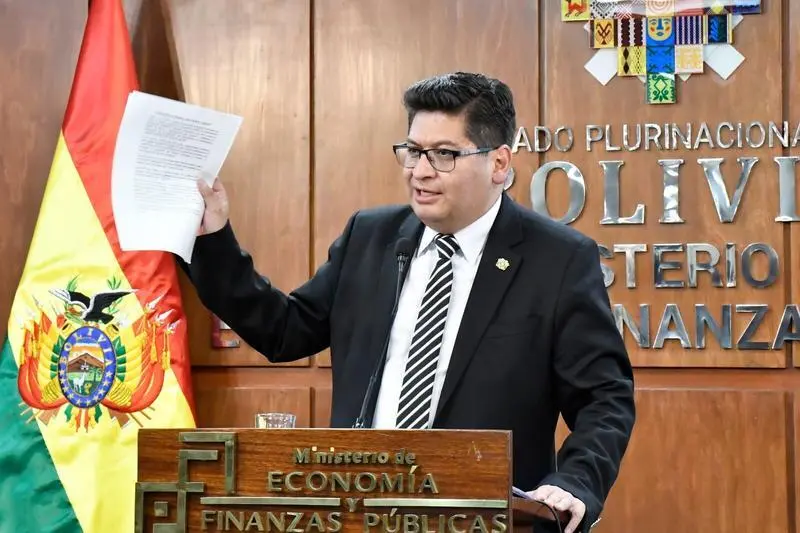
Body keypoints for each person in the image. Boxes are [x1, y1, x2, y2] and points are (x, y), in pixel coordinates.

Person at [182, 72, 635, 533]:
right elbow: (283, 330)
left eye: (444, 155)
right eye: (414, 151)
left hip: (485, 519)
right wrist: (213, 240)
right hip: (359, 514)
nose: (420, 171)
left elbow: (604, 398)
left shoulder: (557, 260)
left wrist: (575, 482)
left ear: (499, 163)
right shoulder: (371, 237)